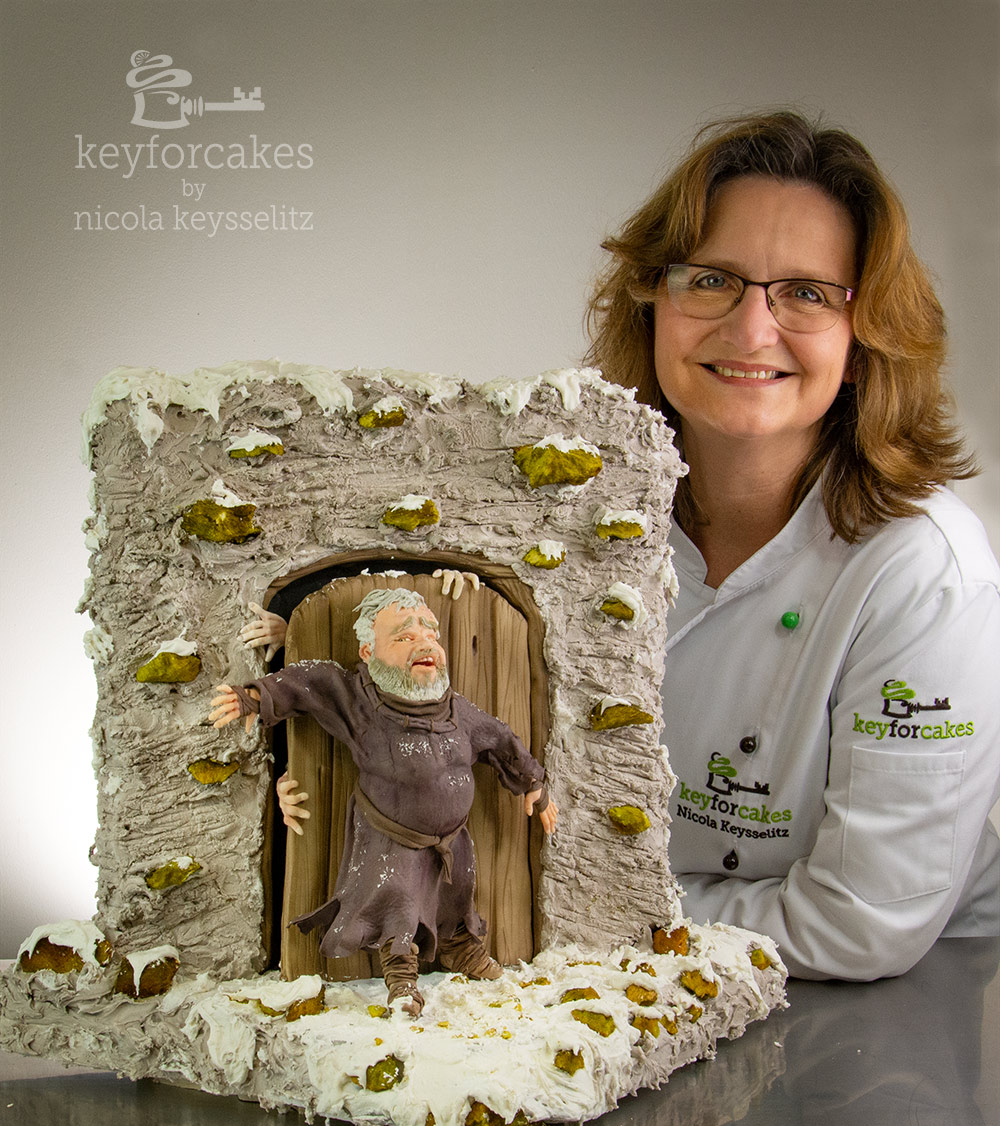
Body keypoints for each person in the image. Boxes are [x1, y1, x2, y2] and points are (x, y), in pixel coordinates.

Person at [584, 109, 1000, 981]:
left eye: (807, 293)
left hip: (888, 1010)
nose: (750, 330)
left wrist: (565, 908)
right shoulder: (577, 518)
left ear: (864, 340)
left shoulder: (924, 570)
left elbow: (860, 927)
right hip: (613, 980)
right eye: (712, 279)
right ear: (653, 302)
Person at [212, 587, 556, 1015]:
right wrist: (255, 697)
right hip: (391, 837)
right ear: (368, 651)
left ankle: (459, 948)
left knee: (457, 895)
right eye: (405, 637)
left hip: (452, 838)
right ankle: (401, 976)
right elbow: (310, 681)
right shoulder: (360, 703)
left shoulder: (456, 709)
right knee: (397, 903)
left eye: (430, 634)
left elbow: (500, 739)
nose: (425, 643)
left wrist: (532, 783)